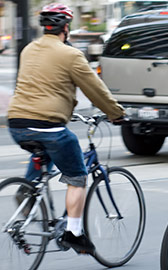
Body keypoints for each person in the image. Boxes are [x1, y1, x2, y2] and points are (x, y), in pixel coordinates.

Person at [7, 3, 125, 255]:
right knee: (77, 176)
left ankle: (28, 192)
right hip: (47, 125)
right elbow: (95, 89)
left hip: (17, 124)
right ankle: (74, 233)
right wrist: (117, 114)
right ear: (66, 28)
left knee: (45, 151)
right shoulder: (70, 55)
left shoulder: (28, 49)